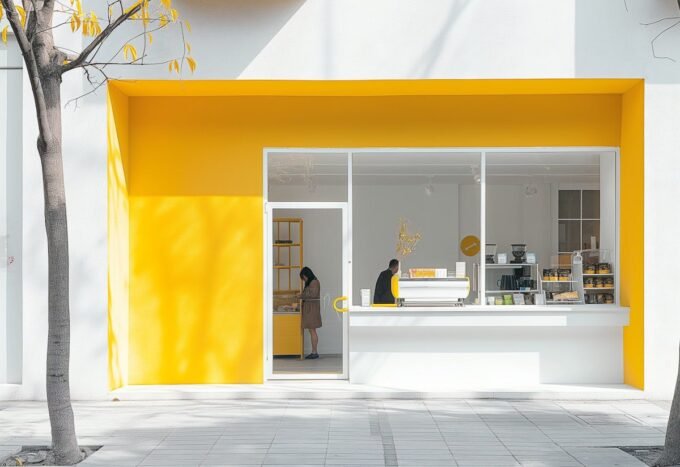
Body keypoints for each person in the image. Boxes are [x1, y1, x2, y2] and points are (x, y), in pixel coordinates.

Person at [299, 267, 321, 360]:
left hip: (312, 309)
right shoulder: (312, 282)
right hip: (311, 309)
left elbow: (313, 295)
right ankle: (314, 351)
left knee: (312, 330)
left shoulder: (314, 282)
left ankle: (314, 352)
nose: (304, 279)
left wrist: (300, 296)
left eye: (303, 277)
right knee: (312, 330)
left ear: (306, 275)